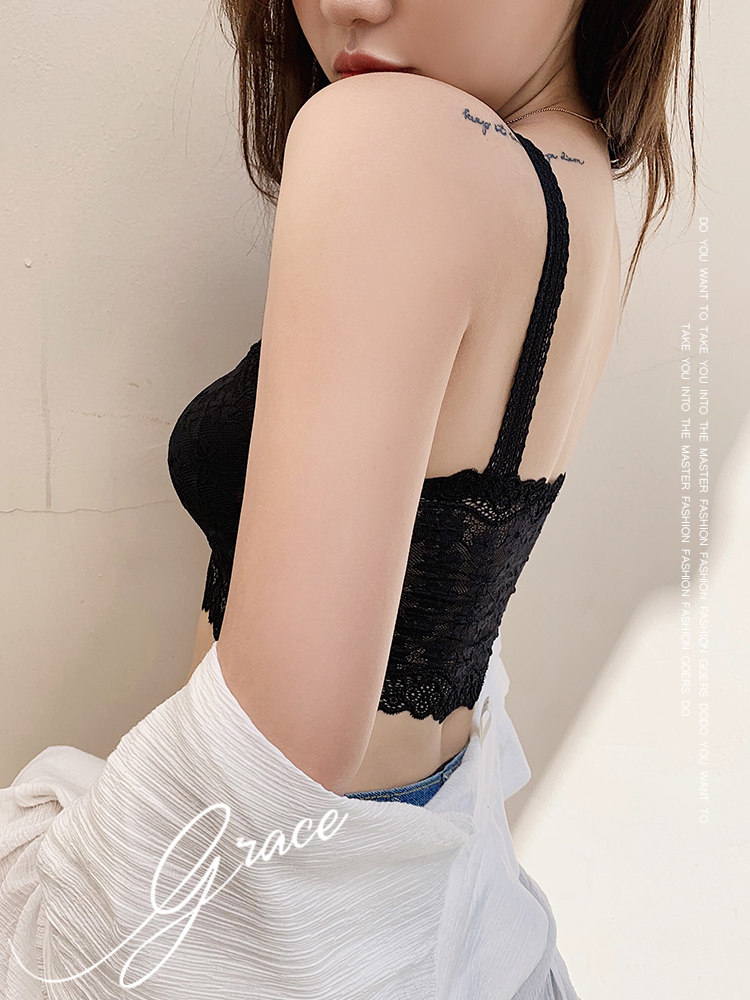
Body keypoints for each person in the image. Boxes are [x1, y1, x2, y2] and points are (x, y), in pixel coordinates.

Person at [0, 0, 699, 997]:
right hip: (428, 894)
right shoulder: (576, 181)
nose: (347, 5)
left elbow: (276, 752)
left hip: (280, 913)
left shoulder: (392, 141)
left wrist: (62, 906)